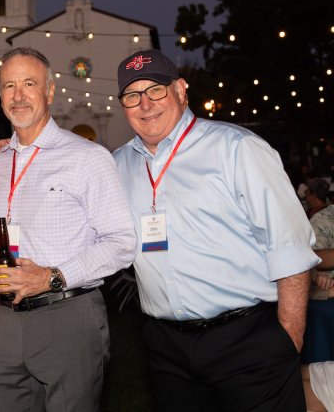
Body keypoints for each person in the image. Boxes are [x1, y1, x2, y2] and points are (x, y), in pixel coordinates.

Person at [112, 48, 319, 411]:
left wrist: (286, 343)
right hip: (166, 349)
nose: (145, 104)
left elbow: (290, 247)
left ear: (180, 90)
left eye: (156, 90)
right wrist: (0, 151)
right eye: (132, 95)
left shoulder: (236, 149)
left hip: (247, 341)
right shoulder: (116, 165)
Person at [0, 47, 136, 412]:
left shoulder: (86, 157)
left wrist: (52, 277)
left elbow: (121, 242)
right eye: (8, 86)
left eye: (29, 84)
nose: (18, 95)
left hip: (67, 315)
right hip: (4, 319)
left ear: (49, 92)